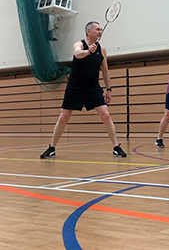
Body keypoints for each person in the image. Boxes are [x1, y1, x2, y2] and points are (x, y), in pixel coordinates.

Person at [40, 21, 127, 158]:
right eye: (97, 29)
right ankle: (51, 148)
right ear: (89, 31)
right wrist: (88, 51)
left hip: (93, 87)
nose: (100, 31)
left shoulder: (102, 49)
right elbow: (77, 54)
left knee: (106, 115)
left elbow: (105, 71)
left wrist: (108, 89)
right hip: (75, 87)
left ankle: (116, 147)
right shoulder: (79, 44)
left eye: (101, 29)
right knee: (63, 117)